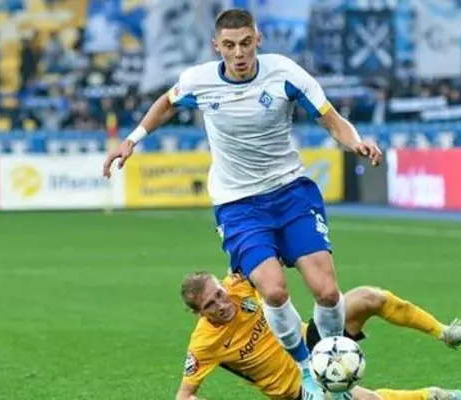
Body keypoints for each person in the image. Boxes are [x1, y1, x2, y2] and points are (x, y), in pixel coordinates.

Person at [102, 9, 382, 399]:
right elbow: (166, 102)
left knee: (328, 292)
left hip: (290, 192)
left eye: (246, 43)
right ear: (216, 46)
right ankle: (307, 371)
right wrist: (132, 140)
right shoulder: (199, 80)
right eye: (230, 45)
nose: (239, 53)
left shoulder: (285, 73)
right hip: (238, 204)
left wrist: (356, 141)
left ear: (258, 40)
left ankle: (331, 363)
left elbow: (330, 117)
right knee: (274, 291)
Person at [175, 272, 461, 400]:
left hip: (313, 345)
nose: (222, 304)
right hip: (298, 391)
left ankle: (446, 332)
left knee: (369, 297)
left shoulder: (238, 285)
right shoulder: (203, 345)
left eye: (219, 294)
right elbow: (184, 395)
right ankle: (432, 395)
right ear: (198, 313)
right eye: (210, 305)